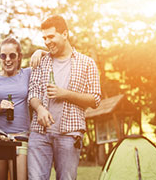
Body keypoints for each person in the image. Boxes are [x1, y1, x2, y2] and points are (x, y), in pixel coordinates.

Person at [27, 15, 101, 180]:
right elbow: (32, 93)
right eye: (44, 38)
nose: (47, 41)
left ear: (65, 34)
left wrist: (65, 94)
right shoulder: (41, 61)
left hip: (70, 133)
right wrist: (39, 109)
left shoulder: (87, 63)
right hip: (40, 133)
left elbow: (95, 99)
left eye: (51, 36)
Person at [0, 37, 31, 180]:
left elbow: (49, 60)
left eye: (12, 55)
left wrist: (39, 53)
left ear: (19, 57)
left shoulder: (27, 74)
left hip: (20, 136)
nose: (8, 59)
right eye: (3, 56)